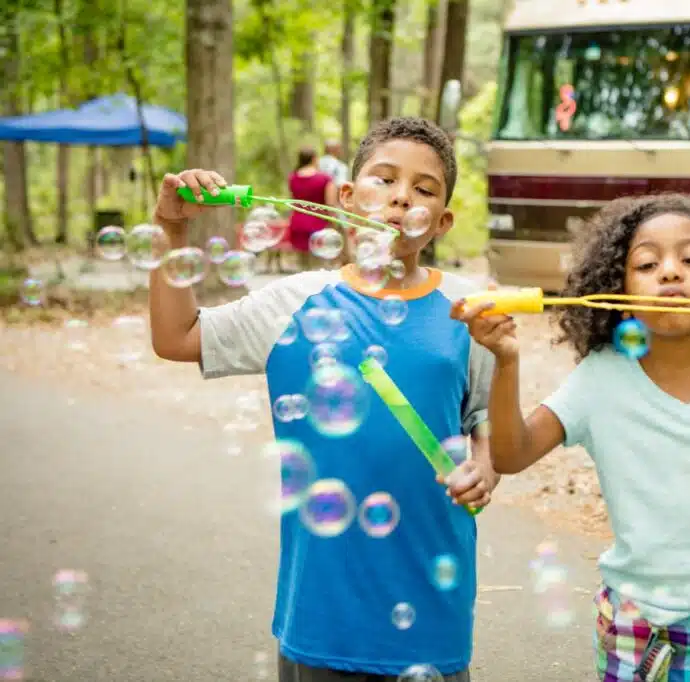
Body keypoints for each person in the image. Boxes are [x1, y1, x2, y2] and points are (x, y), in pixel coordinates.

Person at [148, 117, 498, 682]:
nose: (402, 196)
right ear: (346, 197)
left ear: (442, 220)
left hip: (433, 595)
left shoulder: (469, 308)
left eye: (424, 189)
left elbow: (482, 415)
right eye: (383, 180)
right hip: (321, 608)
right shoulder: (294, 302)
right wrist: (171, 228)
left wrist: (485, 464)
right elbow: (176, 337)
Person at [453, 193, 690, 681]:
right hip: (636, 624)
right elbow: (513, 453)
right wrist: (507, 360)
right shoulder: (599, 379)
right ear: (616, 288)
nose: (670, 272)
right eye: (647, 263)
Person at [288, 147, 338, 269]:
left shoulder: (292, 178)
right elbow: (331, 204)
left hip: (297, 223)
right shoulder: (325, 179)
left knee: (302, 269)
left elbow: (293, 201)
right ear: (314, 159)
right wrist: (334, 222)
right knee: (320, 267)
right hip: (318, 224)